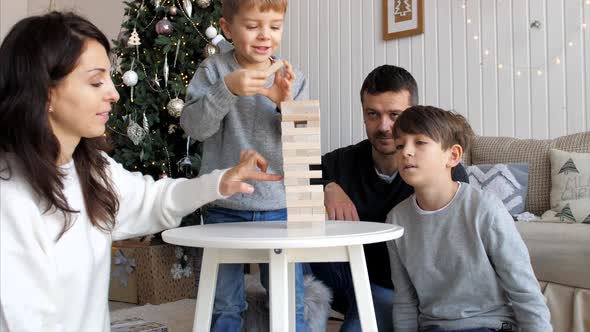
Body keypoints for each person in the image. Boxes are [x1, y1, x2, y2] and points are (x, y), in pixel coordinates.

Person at [0, 12, 283, 332]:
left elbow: (152, 199)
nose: (114, 93)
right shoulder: (11, 199)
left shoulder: (92, 172)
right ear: (45, 92)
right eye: (95, 81)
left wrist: (221, 182)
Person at [179, 0, 309, 330]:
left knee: (289, 302)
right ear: (227, 28)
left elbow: (302, 148)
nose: (265, 36)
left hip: (278, 207)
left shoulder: (292, 77)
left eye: (275, 27)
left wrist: (286, 106)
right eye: (252, 26)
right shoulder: (213, 72)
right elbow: (195, 128)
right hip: (224, 205)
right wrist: (227, 90)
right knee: (223, 305)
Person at [310, 65, 469, 331]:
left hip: (403, 290)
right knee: (295, 250)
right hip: (349, 276)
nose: (384, 127)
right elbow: (298, 171)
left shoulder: (441, 170)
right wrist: (328, 187)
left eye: (395, 115)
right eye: (373, 114)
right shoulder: (343, 161)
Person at [386, 106, 552, 332]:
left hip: (489, 325)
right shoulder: (396, 219)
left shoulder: (485, 208)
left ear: (453, 155)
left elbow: (524, 289)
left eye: (420, 142)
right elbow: (405, 300)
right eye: (399, 145)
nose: (406, 151)